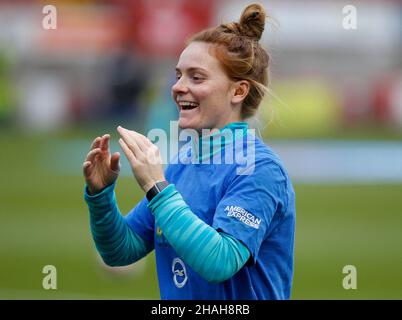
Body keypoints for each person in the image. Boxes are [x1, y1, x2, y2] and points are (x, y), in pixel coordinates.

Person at [83, 3, 295, 300]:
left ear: (238, 91)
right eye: (178, 75)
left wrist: (157, 188)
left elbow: (220, 261)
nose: (178, 87)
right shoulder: (183, 162)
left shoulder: (259, 169)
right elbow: (121, 249)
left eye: (196, 77)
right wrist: (101, 196)